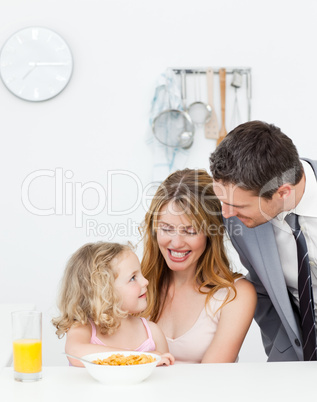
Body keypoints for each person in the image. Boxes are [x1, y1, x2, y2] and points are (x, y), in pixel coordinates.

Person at [209, 120, 317, 361]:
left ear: (283, 192)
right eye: (222, 201)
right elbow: (265, 289)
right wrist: (285, 354)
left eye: (237, 205)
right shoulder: (238, 217)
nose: (225, 214)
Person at [140, 168, 257, 363]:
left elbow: (209, 379)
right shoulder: (137, 285)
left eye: (190, 231)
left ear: (211, 234)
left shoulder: (235, 294)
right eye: (166, 229)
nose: (176, 243)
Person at [52, 242, 174, 367]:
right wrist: (141, 358)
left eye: (140, 274)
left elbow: (165, 376)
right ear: (104, 292)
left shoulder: (152, 333)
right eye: (133, 278)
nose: (146, 281)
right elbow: (75, 352)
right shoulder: (84, 327)